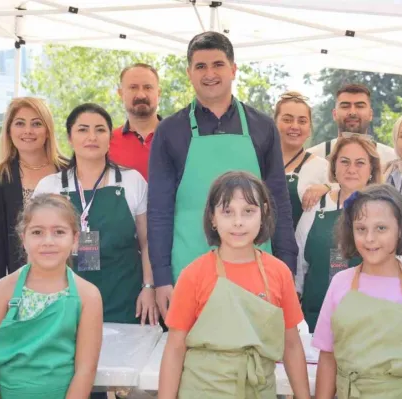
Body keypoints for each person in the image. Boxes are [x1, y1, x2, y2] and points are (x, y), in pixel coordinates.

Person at [148, 31, 298, 322]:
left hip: (257, 271)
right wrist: (162, 277)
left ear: (233, 69)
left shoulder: (264, 127)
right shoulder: (169, 131)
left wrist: (286, 266)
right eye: (200, 66)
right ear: (189, 72)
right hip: (188, 267)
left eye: (217, 64)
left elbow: (278, 202)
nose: (210, 74)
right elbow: (159, 211)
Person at [158, 171, 310, 399]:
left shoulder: (279, 273)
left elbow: (291, 345)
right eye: (227, 212)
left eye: (248, 212)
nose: (238, 222)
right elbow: (175, 348)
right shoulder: (193, 275)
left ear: (264, 213)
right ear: (212, 218)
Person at [34, 103, 157, 327]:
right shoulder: (49, 187)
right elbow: (36, 247)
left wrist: (149, 288)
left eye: (100, 129)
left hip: (125, 297)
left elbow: (148, 242)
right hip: (66, 300)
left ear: (110, 137)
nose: (92, 136)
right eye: (83, 129)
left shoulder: (132, 181)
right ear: (70, 137)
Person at [313, 184, 402, 399]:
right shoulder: (340, 283)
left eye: (381, 228)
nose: (370, 238)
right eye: (361, 229)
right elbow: (328, 356)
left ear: (400, 230)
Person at [0, 193, 103, 399]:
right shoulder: (2, 290)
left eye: (59, 232)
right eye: (37, 232)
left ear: (75, 240)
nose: (47, 241)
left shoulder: (88, 296)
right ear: (23, 239)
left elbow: (85, 371)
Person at [0, 97, 68, 296]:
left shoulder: (70, 171)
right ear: (9, 131)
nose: (28, 131)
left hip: (70, 279)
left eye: (36, 124)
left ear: (48, 130)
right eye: (19, 123)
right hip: (22, 285)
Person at [296, 135, 381, 332]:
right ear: (334, 166)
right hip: (316, 318)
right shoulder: (316, 206)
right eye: (344, 162)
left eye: (360, 163)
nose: (351, 169)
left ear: (371, 169)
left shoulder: (385, 209)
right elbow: (299, 260)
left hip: (368, 320)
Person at [303, 84, 398, 210]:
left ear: (370, 114)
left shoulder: (391, 158)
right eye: (345, 106)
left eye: (360, 106)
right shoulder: (313, 156)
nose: (352, 112)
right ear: (334, 114)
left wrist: (330, 186)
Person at [274, 90, 329, 228]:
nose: (295, 126)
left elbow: (344, 192)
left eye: (302, 121)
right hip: (256, 247)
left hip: (298, 248)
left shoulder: (322, 167)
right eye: (287, 119)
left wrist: (327, 187)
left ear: (309, 128)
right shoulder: (257, 161)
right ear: (274, 124)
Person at [109, 63, 163, 180]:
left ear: (158, 93)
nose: (141, 95)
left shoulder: (180, 136)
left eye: (148, 87)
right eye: (133, 87)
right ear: (121, 93)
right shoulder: (106, 143)